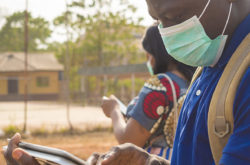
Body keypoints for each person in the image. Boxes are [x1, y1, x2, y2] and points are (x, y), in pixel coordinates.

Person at [3, 0, 250, 164]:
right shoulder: (211, 66)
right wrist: (147, 162)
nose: (169, 33)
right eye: (159, 21)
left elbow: (128, 134)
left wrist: (113, 113)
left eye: (176, 16)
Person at [101, 25, 195, 160]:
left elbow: (129, 140)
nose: (148, 60)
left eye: (148, 54)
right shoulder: (192, 81)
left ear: (157, 53)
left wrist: (114, 110)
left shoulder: (160, 84)